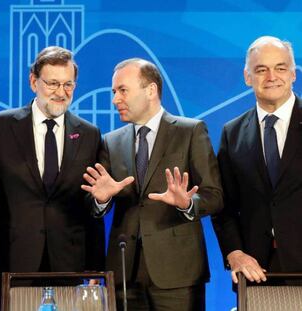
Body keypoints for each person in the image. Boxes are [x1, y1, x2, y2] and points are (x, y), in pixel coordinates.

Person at [82, 58, 223, 310]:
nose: (115, 100)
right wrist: (101, 200)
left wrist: (188, 203)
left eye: (122, 90)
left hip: (178, 274)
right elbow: (94, 202)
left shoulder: (190, 131)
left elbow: (214, 195)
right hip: (125, 272)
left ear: (150, 90)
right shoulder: (110, 142)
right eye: (114, 92)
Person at [0, 46, 104, 293]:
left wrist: (96, 265)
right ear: (33, 81)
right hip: (13, 259)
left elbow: (92, 203)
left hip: (71, 264)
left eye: (68, 85)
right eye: (53, 83)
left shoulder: (90, 134)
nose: (61, 92)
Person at [211, 36, 302, 284]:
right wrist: (235, 253)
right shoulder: (233, 133)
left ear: (293, 73)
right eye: (261, 70)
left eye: (280, 68)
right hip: (256, 273)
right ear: (247, 77)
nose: (272, 76)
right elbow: (224, 207)